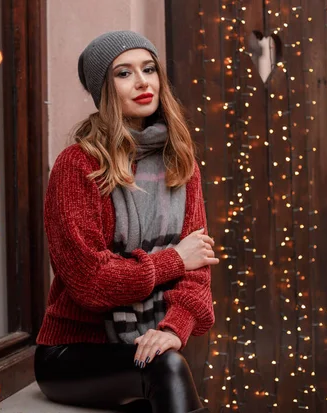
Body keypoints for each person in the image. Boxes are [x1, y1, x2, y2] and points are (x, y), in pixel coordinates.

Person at [34, 31, 219, 413]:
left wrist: (172, 328)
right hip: (73, 353)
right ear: (104, 89)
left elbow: (198, 274)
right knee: (165, 369)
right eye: (124, 73)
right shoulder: (78, 165)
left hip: (144, 343)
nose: (142, 82)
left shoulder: (180, 162)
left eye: (149, 69)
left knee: (165, 363)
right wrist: (175, 259)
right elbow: (91, 281)